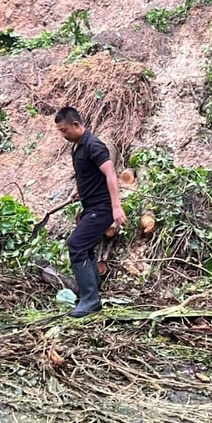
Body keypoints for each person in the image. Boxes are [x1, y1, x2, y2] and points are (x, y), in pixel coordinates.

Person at [53, 107, 128, 317]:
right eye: (60, 131)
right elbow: (88, 174)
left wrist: (116, 208)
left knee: (76, 244)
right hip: (90, 206)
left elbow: (110, 174)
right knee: (84, 247)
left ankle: (90, 300)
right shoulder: (77, 147)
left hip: (102, 208)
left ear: (76, 125)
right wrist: (78, 190)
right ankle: (92, 294)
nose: (63, 135)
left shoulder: (94, 145)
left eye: (64, 130)